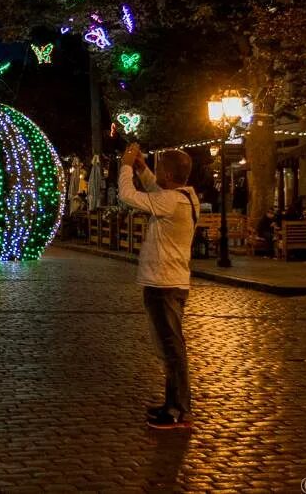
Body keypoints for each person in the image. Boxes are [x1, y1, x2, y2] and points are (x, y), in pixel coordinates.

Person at [117, 144, 199, 429]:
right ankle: (173, 405)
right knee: (169, 347)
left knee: (172, 348)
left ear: (168, 172)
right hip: (167, 281)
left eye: (158, 165)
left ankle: (178, 410)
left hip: (165, 284)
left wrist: (126, 166)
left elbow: (127, 196)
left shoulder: (172, 201)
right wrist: (142, 168)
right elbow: (156, 190)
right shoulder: (184, 197)